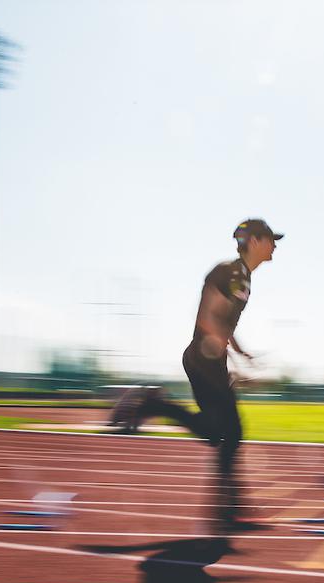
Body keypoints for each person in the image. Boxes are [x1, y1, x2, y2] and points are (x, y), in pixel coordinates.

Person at [114, 218, 283, 532]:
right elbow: (206, 316)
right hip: (203, 360)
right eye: (271, 239)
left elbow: (224, 324)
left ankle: (228, 508)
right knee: (229, 433)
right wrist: (221, 351)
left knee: (219, 434)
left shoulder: (244, 277)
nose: (275, 245)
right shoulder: (230, 272)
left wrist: (239, 352)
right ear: (255, 241)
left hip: (210, 360)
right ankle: (228, 509)